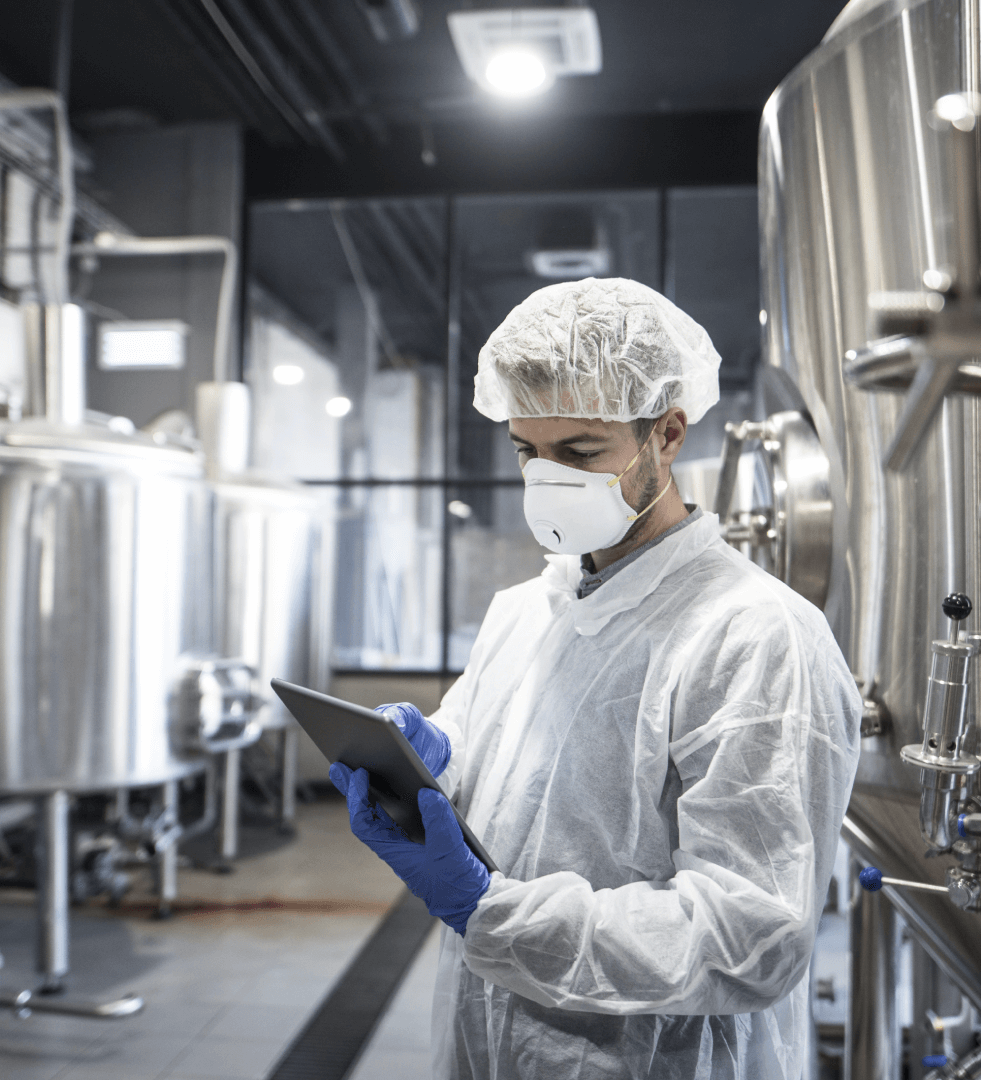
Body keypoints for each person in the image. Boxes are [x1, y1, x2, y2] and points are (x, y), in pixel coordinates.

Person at [330, 277, 862, 1080]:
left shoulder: (755, 634)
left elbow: (750, 937)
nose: (547, 480)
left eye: (579, 452)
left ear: (668, 435)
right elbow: (508, 759)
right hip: (489, 1041)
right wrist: (436, 755)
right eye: (527, 452)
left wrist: (493, 912)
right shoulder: (525, 607)